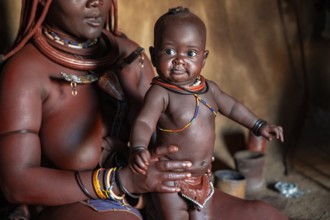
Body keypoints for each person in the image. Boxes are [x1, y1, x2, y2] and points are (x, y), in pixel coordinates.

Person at [0, 1, 288, 220]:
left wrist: (188, 155)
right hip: (84, 203)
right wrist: (122, 180)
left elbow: (164, 124)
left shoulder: (129, 54)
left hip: (167, 193)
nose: (95, 2)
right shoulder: (24, 73)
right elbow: (15, 184)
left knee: (264, 214)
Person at [129, 6, 284, 220]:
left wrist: (258, 125)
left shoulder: (210, 89)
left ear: (204, 58)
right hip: (170, 177)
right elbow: (144, 123)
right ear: (154, 56)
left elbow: (233, 107)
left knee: (203, 217)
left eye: (190, 53)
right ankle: (153, 208)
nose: (179, 60)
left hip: (203, 178)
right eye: (169, 51)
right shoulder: (160, 93)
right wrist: (138, 147)